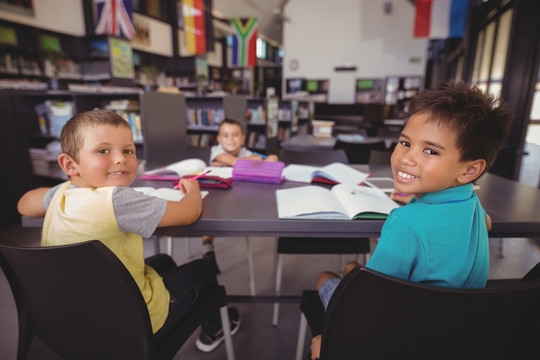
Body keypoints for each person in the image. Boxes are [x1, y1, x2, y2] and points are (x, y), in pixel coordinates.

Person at [310, 81, 514, 359]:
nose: (406, 157)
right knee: (352, 267)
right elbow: (485, 223)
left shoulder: (404, 223)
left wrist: (335, 344)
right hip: (453, 332)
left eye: (430, 151)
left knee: (327, 276)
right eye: (405, 142)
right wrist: (419, 198)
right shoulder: (471, 203)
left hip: (399, 337)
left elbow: (370, 306)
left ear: (470, 169)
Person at [17, 109, 239, 353]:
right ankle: (216, 326)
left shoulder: (61, 194)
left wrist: (60, 188)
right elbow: (190, 212)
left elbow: (24, 203)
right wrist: (193, 188)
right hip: (132, 325)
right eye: (103, 151)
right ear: (69, 164)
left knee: (164, 260)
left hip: (75, 323)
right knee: (204, 268)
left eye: (128, 150)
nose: (121, 159)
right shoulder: (117, 199)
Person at [202, 118, 279, 274]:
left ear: (243, 138)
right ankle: (207, 247)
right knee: (212, 213)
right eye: (225, 135)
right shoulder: (217, 151)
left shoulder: (245, 152)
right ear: (218, 139)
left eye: (235, 135)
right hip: (216, 199)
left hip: (239, 197)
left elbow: (269, 161)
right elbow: (236, 162)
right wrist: (257, 160)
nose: (230, 139)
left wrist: (268, 159)